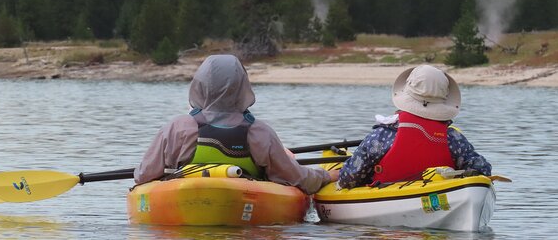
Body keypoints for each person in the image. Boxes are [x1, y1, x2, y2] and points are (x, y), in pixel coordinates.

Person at [134, 54, 338, 194]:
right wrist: (326, 176)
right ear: (242, 86)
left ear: (200, 85)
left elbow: (143, 175)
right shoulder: (260, 132)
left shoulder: (177, 128)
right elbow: (298, 178)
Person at [338, 64, 491, 188]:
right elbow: (482, 169)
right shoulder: (453, 138)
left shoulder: (381, 136)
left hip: (385, 198)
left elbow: (348, 179)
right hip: (439, 195)